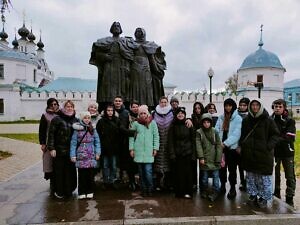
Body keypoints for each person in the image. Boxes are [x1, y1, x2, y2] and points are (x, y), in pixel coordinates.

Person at [240, 99, 279, 208]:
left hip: (264, 155)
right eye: (253, 105)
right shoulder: (246, 120)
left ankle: (264, 197)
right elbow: (243, 135)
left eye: (257, 105)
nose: (255, 107)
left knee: (264, 178)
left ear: (260, 106)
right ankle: (253, 194)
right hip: (249, 153)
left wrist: (268, 146)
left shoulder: (268, 120)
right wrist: (243, 146)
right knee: (251, 176)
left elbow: (275, 135)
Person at [89, 22, 134, 110]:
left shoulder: (125, 41)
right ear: (111, 29)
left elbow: (131, 54)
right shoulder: (105, 41)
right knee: (107, 87)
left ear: (121, 29)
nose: (116, 28)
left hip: (122, 68)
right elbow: (96, 53)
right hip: (109, 67)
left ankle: (123, 107)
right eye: (115, 26)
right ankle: (107, 106)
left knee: (123, 88)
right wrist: (104, 56)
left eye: (118, 26)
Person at [47, 100, 78, 199]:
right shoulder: (57, 119)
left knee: (70, 171)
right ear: (63, 108)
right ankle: (59, 191)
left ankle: (69, 190)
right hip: (59, 150)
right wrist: (51, 148)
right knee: (59, 172)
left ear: (73, 108)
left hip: (71, 151)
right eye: (67, 106)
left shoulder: (76, 120)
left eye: (71, 106)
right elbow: (51, 134)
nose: (69, 108)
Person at [129, 105, 159, 197]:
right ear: (138, 114)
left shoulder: (152, 123)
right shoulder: (135, 124)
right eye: (141, 113)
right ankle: (143, 189)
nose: (142, 115)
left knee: (148, 172)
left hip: (148, 152)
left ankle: (150, 189)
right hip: (138, 152)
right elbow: (131, 137)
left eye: (144, 113)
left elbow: (156, 136)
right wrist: (131, 149)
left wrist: (155, 148)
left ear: (147, 113)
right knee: (141, 173)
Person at [271, 99, 296, 207]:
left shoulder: (289, 121)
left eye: (280, 106)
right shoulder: (270, 119)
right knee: (275, 174)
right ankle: (276, 194)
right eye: (275, 106)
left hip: (287, 152)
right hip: (275, 152)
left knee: (290, 176)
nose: (277, 108)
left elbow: (290, 136)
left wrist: (275, 139)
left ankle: (290, 197)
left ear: (284, 108)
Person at [215, 98, 242, 199]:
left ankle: (232, 188)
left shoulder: (238, 119)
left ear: (233, 106)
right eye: (226, 105)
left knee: (232, 169)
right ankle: (222, 186)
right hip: (221, 148)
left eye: (230, 105)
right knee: (222, 168)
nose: (228, 107)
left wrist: (225, 143)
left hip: (231, 148)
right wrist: (219, 142)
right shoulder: (221, 117)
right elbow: (216, 130)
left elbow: (236, 134)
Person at [70, 112, 101, 199]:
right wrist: (72, 155)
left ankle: (90, 190)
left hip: (91, 154)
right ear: (82, 119)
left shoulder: (93, 129)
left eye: (88, 118)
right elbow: (73, 143)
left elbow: (97, 141)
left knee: (90, 174)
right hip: (81, 154)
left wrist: (98, 153)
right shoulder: (77, 130)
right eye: (85, 118)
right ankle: (82, 191)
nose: (87, 119)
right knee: (81, 174)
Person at [168, 107, 194, 199]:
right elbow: (170, 141)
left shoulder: (188, 125)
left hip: (187, 153)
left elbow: (193, 139)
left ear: (185, 115)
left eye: (182, 113)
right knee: (178, 174)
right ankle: (179, 192)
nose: (180, 115)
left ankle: (188, 192)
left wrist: (193, 154)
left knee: (188, 173)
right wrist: (172, 154)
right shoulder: (173, 126)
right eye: (178, 113)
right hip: (177, 153)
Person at [196, 113, 222, 201]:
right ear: (202, 123)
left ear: (211, 123)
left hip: (214, 158)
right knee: (204, 177)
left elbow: (219, 145)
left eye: (208, 122)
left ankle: (215, 192)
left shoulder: (215, 131)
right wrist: (201, 157)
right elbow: (198, 145)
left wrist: (218, 158)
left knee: (216, 177)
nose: (206, 124)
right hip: (205, 159)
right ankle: (204, 190)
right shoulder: (199, 132)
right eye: (204, 122)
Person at [129, 28, 157, 107]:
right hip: (134, 67)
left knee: (147, 86)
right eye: (137, 32)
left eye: (140, 32)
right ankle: (134, 105)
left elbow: (152, 58)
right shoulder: (131, 44)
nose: (138, 33)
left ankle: (148, 106)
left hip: (146, 67)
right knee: (135, 86)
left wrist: (156, 69)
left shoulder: (149, 44)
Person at [113, 96, 136, 189]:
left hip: (124, 141)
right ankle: (117, 179)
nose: (118, 102)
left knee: (126, 162)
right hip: (114, 141)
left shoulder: (126, 113)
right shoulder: (110, 112)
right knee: (116, 162)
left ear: (122, 102)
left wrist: (130, 133)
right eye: (116, 101)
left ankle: (129, 181)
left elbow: (125, 126)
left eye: (119, 101)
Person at [96, 104, 121, 189]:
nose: (110, 112)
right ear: (106, 111)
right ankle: (106, 181)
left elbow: (120, 133)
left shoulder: (117, 120)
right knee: (105, 165)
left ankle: (112, 180)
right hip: (105, 148)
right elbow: (98, 135)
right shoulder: (101, 121)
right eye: (108, 110)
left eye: (111, 111)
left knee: (113, 166)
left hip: (114, 148)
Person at [38, 98, 59, 195]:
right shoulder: (45, 116)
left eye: (55, 104)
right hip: (48, 143)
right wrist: (42, 143)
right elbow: (42, 130)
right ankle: (52, 185)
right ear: (48, 105)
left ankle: (58, 184)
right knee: (49, 164)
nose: (54, 106)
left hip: (59, 143)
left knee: (57, 165)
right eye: (52, 105)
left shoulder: (60, 114)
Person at [152, 96, 174, 190]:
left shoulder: (172, 113)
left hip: (168, 142)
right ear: (159, 103)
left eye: (165, 102)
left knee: (168, 163)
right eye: (162, 102)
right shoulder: (154, 114)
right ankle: (158, 184)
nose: (163, 104)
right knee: (157, 163)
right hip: (158, 142)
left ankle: (167, 184)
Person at [237, 97, 250, 191]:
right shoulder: (235, 115)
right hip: (238, 142)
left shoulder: (250, 116)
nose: (242, 107)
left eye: (244, 105)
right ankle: (242, 181)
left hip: (248, 143)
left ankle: (248, 180)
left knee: (248, 164)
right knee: (240, 165)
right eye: (241, 105)